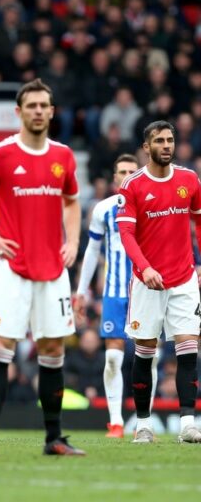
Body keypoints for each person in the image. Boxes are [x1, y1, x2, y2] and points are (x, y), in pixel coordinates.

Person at [0, 78, 85, 456]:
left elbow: (72, 201)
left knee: (53, 348)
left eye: (44, 105)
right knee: (1, 345)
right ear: (19, 112)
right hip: (12, 267)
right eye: (32, 106)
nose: (39, 111)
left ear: (52, 112)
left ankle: (54, 438)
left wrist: (72, 241)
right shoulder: (0, 153)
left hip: (53, 269)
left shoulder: (63, 156)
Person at [114, 120, 201, 444]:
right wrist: (145, 267)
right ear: (146, 147)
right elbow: (126, 233)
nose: (166, 145)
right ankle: (144, 424)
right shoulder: (133, 186)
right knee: (146, 350)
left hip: (183, 278)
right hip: (147, 282)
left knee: (188, 347)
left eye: (170, 140)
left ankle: (187, 424)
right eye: (159, 141)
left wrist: (200, 264)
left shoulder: (189, 179)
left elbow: (199, 220)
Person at [74, 154, 144, 438]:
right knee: (113, 358)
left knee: (145, 357)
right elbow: (92, 251)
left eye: (132, 171)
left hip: (145, 291)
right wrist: (81, 290)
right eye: (122, 171)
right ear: (114, 177)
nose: (127, 175)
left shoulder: (150, 203)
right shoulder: (103, 209)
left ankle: (143, 421)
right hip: (114, 294)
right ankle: (115, 421)